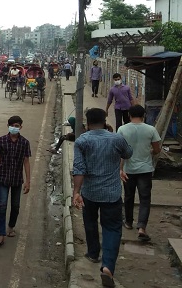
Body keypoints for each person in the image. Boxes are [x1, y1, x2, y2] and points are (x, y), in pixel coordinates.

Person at [72, 108, 133, 288]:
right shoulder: (116, 139)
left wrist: (76, 192)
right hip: (112, 194)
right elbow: (128, 154)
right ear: (105, 121)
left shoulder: (82, 141)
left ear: (87, 123)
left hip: (90, 193)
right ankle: (107, 267)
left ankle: (92, 253)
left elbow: (79, 168)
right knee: (112, 229)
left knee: (90, 222)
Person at [117, 104, 161, 242]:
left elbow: (119, 152)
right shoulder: (151, 129)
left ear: (129, 115)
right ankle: (142, 227)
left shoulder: (122, 129)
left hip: (128, 170)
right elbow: (157, 149)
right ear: (144, 116)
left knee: (128, 196)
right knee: (145, 199)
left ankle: (128, 222)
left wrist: (120, 169)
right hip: (145, 169)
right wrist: (150, 152)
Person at [0, 116, 31, 246]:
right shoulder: (1, 141)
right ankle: (1, 234)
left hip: (17, 180)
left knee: (15, 206)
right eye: (13, 125)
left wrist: (28, 181)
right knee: (2, 206)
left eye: (18, 125)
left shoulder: (25, 142)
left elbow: (26, 161)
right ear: (8, 126)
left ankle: (11, 227)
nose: (15, 127)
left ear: (21, 127)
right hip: (3, 178)